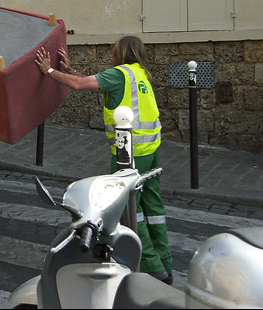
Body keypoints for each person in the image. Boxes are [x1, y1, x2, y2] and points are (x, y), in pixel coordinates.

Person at [35, 36, 173, 284]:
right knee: (154, 207)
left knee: (131, 210)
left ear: (121, 52)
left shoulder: (119, 74)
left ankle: (151, 266)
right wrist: (69, 70)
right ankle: (165, 263)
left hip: (129, 153)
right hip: (152, 149)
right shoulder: (140, 74)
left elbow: (78, 85)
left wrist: (50, 71)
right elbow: (94, 84)